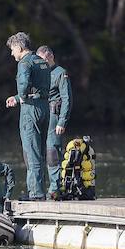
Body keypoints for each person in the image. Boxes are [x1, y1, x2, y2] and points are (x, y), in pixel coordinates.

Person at [4, 32, 51, 201]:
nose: (12, 54)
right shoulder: (41, 61)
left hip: (30, 110)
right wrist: (17, 98)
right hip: (45, 107)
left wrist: (21, 97)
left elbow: (24, 84)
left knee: (32, 152)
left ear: (19, 47)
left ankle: (36, 194)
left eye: (12, 49)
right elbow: (41, 86)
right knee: (41, 152)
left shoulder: (24, 63)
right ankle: (40, 190)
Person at [36, 45, 72, 199]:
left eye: (43, 59)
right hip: (40, 115)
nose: (41, 63)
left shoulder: (60, 73)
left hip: (53, 116)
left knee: (52, 152)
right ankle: (39, 189)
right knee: (38, 152)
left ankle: (55, 188)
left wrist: (62, 121)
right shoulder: (39, 73)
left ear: (50, 56)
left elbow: (67, 99)